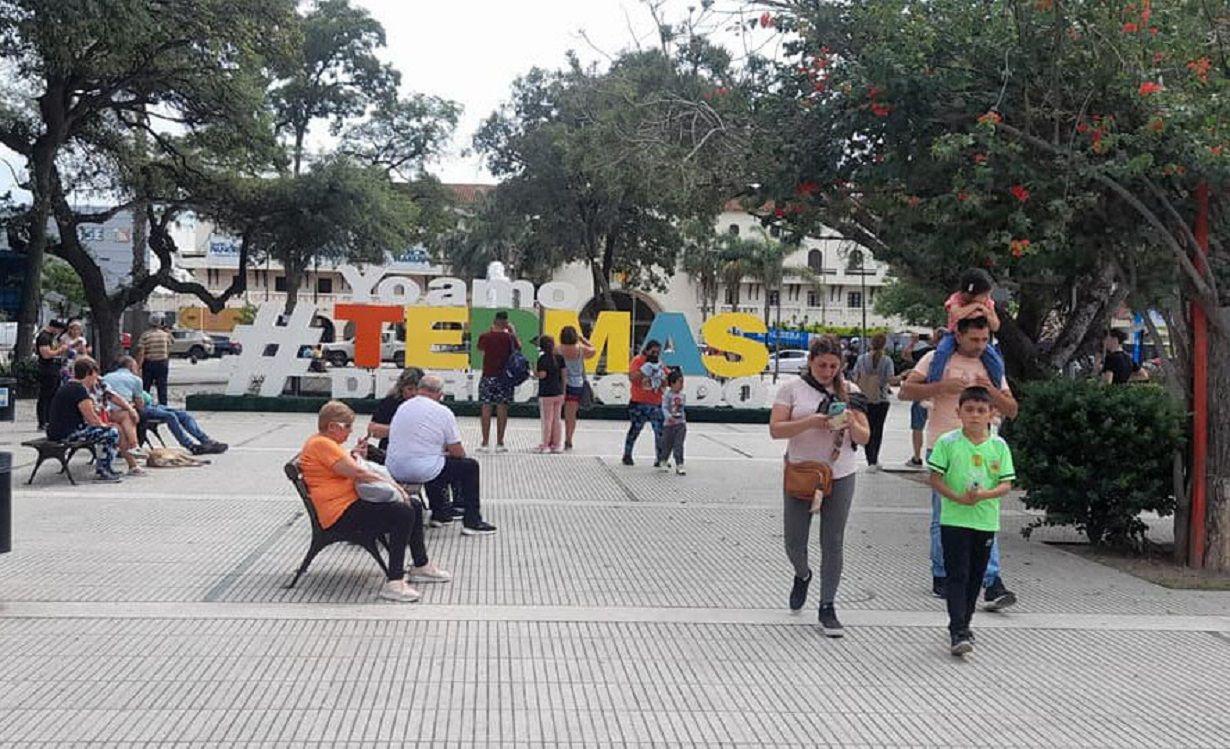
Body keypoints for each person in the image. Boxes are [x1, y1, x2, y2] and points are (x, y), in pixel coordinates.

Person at [899, 316, 1020, 608]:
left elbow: (1012, 409)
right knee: (945, 511)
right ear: (959, 335)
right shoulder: (935, 359)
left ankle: (991, 581)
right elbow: (905, 391)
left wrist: (987, 389)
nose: (980, 346)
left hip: (983, 448)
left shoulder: (991, 365)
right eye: (974, 339)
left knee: (983, 511)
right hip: (946, 445)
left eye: (984, 340)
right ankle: (942, 572)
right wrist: (940, 387)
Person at [770, 336, 871, 637]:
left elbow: (865, 437)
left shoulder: (850, 391)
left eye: (833, 366)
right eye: (821, 365)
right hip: (801, 472)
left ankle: (827, 605)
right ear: (810, 363)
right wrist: (812, 422)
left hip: (840, 473)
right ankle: (802, 574)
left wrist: (851, 422)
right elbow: (776, 429)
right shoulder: (791, 389)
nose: (827, 371)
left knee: (833, 541)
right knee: (794, 541)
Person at [299, 401, 451, 602]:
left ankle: (420, 564)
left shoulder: (326, 444)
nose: (350, 431)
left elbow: (345, 466)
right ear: (332, 427)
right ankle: (394, 581)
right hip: (340, 514)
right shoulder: (322, 444)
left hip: (349, 505)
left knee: (413, 505)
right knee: (403, 512)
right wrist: (396, 487)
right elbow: (358, 472)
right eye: (347, 427)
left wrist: (355, 455)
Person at [927, 386, 1016, 656]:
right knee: (958, 573)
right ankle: (958, 629)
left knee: (976, 575)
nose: (975, 416)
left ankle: (965, 622)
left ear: (992, 414)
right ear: (959, 412)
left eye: (981, 410)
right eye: (969, 410)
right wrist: (956, 497)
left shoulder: (998, 446)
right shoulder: (948, 442)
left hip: (985, 521)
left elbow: (1006, 483)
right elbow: (934, 478)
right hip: (954, 519)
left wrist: (984, 495)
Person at [386, 375, 497, 535]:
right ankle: (472, 521)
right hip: (421, 469)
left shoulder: (403, 407)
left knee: (436, 462)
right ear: (439, 393)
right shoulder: (443, 411)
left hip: (394, 467)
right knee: (468, 466)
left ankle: (440, 514)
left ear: (419, 389)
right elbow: (457, 451)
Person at [109, 356, 227, 454]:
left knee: (179, 414)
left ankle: (205, 441)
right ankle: (192, 444)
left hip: (119, 409)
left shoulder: (106, 377)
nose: (138, 369)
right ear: (130, 367)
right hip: (134, 409)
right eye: (135, 366)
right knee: (171, 415)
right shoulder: (134, 379)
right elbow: (140, 405)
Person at [45, 356, 122, 482]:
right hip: (68, 433)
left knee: (105, 431)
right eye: (95, 375)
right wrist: (107, 426)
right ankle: (104, 469)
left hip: (57, 430)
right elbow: (93, 420)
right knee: (111, 433)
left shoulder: (68, 386)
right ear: (88, 373)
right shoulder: (80, 391)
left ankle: (105, 467)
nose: (96, 379)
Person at [927, 269, 1005, 385]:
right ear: (970, 294)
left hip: (979, 336)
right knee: (941, 354)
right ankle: (933, 383)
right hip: (954, 334)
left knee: (996, 361)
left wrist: (986, 312)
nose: (986, 297)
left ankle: (997, 387)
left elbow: (995, 326)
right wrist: (976, 306)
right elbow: (957, 314)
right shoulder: (956, 299)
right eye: (983, 295)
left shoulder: (987, 303)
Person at [476, 310, 520, 452]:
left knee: (486, 407)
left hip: (488, 376)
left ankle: (485, 443)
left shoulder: (485, 337)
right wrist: (513, 332)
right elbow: (519, 348)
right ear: (506, 323)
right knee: (502, 408)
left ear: (494, 321)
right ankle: (500, 442)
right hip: (504, 378)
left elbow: (480, 349)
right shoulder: (510, 338)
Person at [852, 332, 896, 471]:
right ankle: (874, 459)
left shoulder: (861, 359)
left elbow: (855, 376)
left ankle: (869, 459)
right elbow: (890, 379)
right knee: (878, 430)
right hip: (881, 399)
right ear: (884, 345)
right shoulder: (887, 360)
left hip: (865, 398)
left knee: (867, 428)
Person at [901, 330, 942, 469]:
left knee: (917, 427)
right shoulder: (952, 355)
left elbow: (906, 355)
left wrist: (913, 342)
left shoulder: (928, 353)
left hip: (921, 394)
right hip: (940, 397)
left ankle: (917, 457)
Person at [623, 339, 667, 467]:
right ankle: (627, 454)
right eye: (653, 352)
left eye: (658, 352)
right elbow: (632, 378)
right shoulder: (638, 361)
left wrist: (663, 376)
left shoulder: (660, 364)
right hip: (639, 402)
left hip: (656, 402)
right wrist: (644, 370)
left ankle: (660, 458)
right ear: (647, 350)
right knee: (635, 429)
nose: (655, 355)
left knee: (659, 432)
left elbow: (667, 381)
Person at [368, 367, 425, 454]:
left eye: (417, 389)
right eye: (410, 389)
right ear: (401, 388)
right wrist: (403, 431)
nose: (414, 393)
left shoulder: (428, 404)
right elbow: (373, 430)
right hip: (391, 450)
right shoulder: (390, 402)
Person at [558, 325, 596, 450]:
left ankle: (553, 438)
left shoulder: (558, 350)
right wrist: (583, 339)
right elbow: (593, 350)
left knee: (555, 414)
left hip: (560, 383)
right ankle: (568, 439)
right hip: (576, 384)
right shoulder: (580, 349)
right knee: (571, 416)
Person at [534, 334, 566, 453]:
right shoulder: (559, 358)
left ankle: (545, 444)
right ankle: (557, 444)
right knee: (557, 419)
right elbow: (564, 375)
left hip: (546, 393)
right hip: (558, 392)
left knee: (547, 420)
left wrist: (534, 372)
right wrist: (563, 391)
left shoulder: (542, 359)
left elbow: (542, 375)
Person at [34, 319, 68, 430]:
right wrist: (60, 350)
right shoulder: (44, 337)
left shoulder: (52, 337)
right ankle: (43, 421)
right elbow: (46, 354)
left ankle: (49, 418)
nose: (59, 333)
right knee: (46, 395)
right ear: (54, 327)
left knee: (53, 394)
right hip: (47, 369)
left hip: (54, 368)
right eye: (59, 330)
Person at [656, 368, 687, 475]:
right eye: (680, 382)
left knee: (679, 445)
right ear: (672, 383)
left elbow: (682, 409)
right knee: (667, 444)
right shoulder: (667, 395)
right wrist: (668, 417)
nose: (681, 385)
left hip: (680, 424)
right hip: (669, 425)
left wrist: (682, 419)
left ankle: (680, 464)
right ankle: (663, 461)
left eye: (682, 382)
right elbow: (664, 407)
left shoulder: (683, 395)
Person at [135, 321, 173, 405]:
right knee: (162, 386)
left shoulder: (145, 335)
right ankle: (163, 405)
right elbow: (169, 348)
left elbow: (141, 352)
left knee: (146, 386)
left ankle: (145, 405)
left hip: (149, 363)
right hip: (162, 363)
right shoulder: (165, 335)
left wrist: (138, 367)